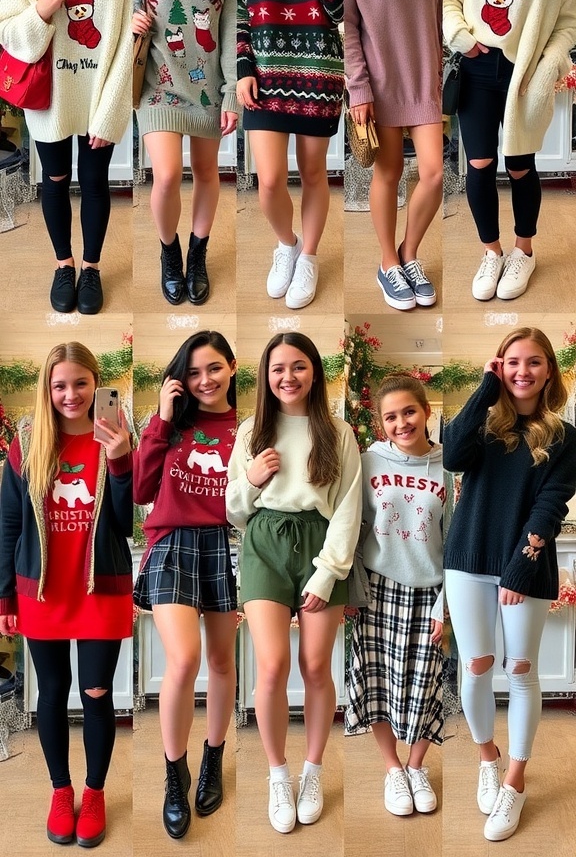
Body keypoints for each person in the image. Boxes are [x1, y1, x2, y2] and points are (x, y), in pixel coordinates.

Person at [443, 327, 576, 841]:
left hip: (526, 564)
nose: (523, 371)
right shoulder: (483, 424)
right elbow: (452, 456)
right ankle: (487, 757)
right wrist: (485, 388)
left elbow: (550, 504)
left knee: (520, 669)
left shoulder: (565, 437)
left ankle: (514, 781)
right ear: (499, 366)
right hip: (468, 558)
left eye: (534, 361)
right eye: (512, 361)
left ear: (549, 371)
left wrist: (521, 565)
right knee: (476, 665)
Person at [226, 332, 361, 833]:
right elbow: (232, 510)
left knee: (315, 665)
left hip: (320, 543)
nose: (288, 377)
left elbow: (348, 509)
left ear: (315, 372)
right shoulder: (250, 431)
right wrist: (252, 479)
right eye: (278, 368)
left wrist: (328, 573)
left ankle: (313, 772)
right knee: (272, 665)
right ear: (265, 375)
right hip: (264, 542)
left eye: (299, 366)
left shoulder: (338, 432)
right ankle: (278, 775)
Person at [0, 342, 133, 847]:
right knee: (52, 693)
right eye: (60, 385)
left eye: (81, 383)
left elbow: (125, 522)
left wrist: (119, 461)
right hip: (42, 594)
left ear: (97, 384)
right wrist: (4, 598)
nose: (71, 394)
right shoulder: (27, 442)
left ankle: (94, 793)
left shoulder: (116, 435)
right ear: (47, 389)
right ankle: (61, 791)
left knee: (97, 693)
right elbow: (9, 525)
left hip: (101, 590)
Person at [0, 0, 132, 315]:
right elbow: (7, 34)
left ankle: (91, 268)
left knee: (95, 182)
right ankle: (64, 265)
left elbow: (127, 45)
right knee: (54, 182)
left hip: (99, 100)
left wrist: (111, 111)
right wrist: (40, 11)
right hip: (48, 102)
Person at [443, 0, 576, 302]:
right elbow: (447, 0)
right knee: (479, 164)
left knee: (521, 164)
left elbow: (568, 23)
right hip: (477, 67)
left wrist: (549, 65)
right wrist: (462, 39)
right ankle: (491, 252)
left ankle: (524, 250)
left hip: (527, 74)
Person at [133, 330, 237, 839]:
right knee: (183, 660)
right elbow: (139, 490)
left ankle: (212, 758)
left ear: (232, 367)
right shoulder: (170, 425)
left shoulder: (248, 428)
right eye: (193, 372)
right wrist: (162, 417)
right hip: (172, 543)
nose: (204, 380)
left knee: (221, 661)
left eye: (214, 368)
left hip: (222, 544)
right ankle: (175, 776)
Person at [236, 0, 344, 309]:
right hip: (264, 79)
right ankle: (287, 244)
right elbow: (240, 16)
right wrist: (243, 68)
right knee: (269, 180)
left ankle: (310, 256)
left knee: (314, 173)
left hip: (318, 76)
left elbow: (340, 12)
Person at [132, 0, 237, 307]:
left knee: (208, 173)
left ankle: (197, 255)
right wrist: (132, 24)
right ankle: (169, 254)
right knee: (168, 174)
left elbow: (230, 31)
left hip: (208, 87)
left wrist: (231, 92)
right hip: (158, 85)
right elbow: (126, 18)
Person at [344, 0, 443, 312]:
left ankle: (409, 252)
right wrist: (359, 89)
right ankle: (388, 262)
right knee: (388, 173)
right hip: (380, 83)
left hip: (422, 82)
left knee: (433, 173)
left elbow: (435, 23)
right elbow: (348, 27)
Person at [346, 374, 444, 815]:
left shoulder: (450, 467)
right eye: (391, 417)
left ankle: (416, 765)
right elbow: (351, 526)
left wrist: (447, 603)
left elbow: (456, 540)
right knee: (376, 683)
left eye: (409, 412)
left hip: (431, 591)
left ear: (426, 412)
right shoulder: (368, 462)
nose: (401, 423)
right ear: (380, 422)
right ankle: (393, 769)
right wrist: (350, 587)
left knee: (427, 683)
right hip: (376, 588)